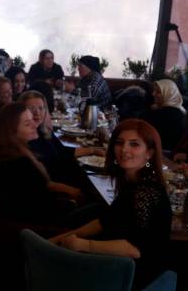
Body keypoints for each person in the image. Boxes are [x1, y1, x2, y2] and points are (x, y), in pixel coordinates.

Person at [50, 119, 171, 290]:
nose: (124, 150)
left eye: (134, 144)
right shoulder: (132, 180)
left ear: (149, 153)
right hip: (117, 262)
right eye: (119, 143)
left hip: (134, 274)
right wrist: (59, 239)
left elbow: (134, 249)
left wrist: (82, 244)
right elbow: (105, 222)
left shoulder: (147, 191)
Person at [0, 103, 86, 226]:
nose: (34, 125)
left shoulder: (10, 150)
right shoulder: (18, 162)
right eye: (27, 124)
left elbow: (39, 190)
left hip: (32, 214)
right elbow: (39, 206)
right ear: (11, 132)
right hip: (37, 225)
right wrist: (71, 204)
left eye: (32, 119)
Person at [19, 91, 103, 189]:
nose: (37, 113)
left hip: (63, 179)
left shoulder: (43, 131)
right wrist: (70, 190)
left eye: (41, 108)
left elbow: (63, 152)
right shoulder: (23, 141)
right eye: (31, 108)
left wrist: (92, 150)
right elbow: (36, 182)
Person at [140, 79, 186, 151]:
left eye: (158, 92)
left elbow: (141, 125)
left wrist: (150, 110)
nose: (153, 94)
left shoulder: (167, 113)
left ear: (168, 94)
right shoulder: (180, 109)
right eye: (154, 90)